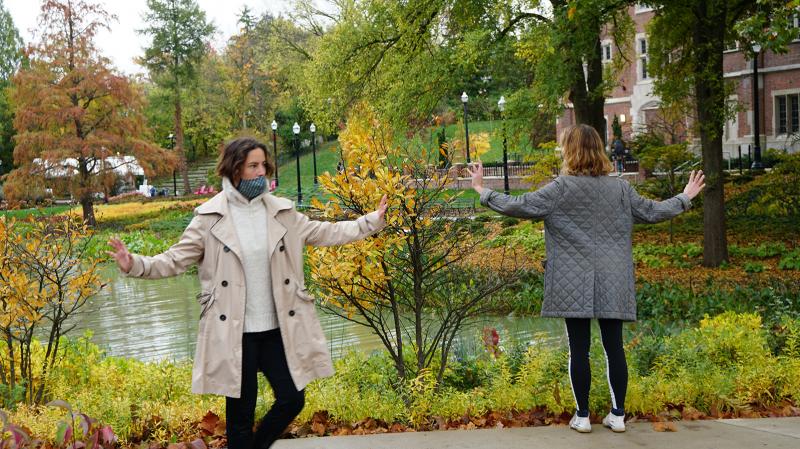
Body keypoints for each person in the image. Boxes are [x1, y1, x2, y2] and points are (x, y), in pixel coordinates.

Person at [107, 137, 387, 449]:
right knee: (240, 416)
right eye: (253, 166)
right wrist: (134, 264)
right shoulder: (208, 218)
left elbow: (327, 232)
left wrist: (370, 222)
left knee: (292, 399)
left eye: (263, 165)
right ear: (235, 168)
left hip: (275, 329)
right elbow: (173, 260)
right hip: (235, 332)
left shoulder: (282, 212)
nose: (260, 172)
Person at [467, 124, 704, 434]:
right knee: (614, 347)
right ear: (599, 150)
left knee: (579, 348)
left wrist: (482, 191)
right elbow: (651, 211)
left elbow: (520, 206)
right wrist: (685, 197)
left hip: (571, 277)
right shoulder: (620, 188)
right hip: (613, 276)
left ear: (570, 151)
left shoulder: (560, 187)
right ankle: (617, 415)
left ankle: (582, 416)